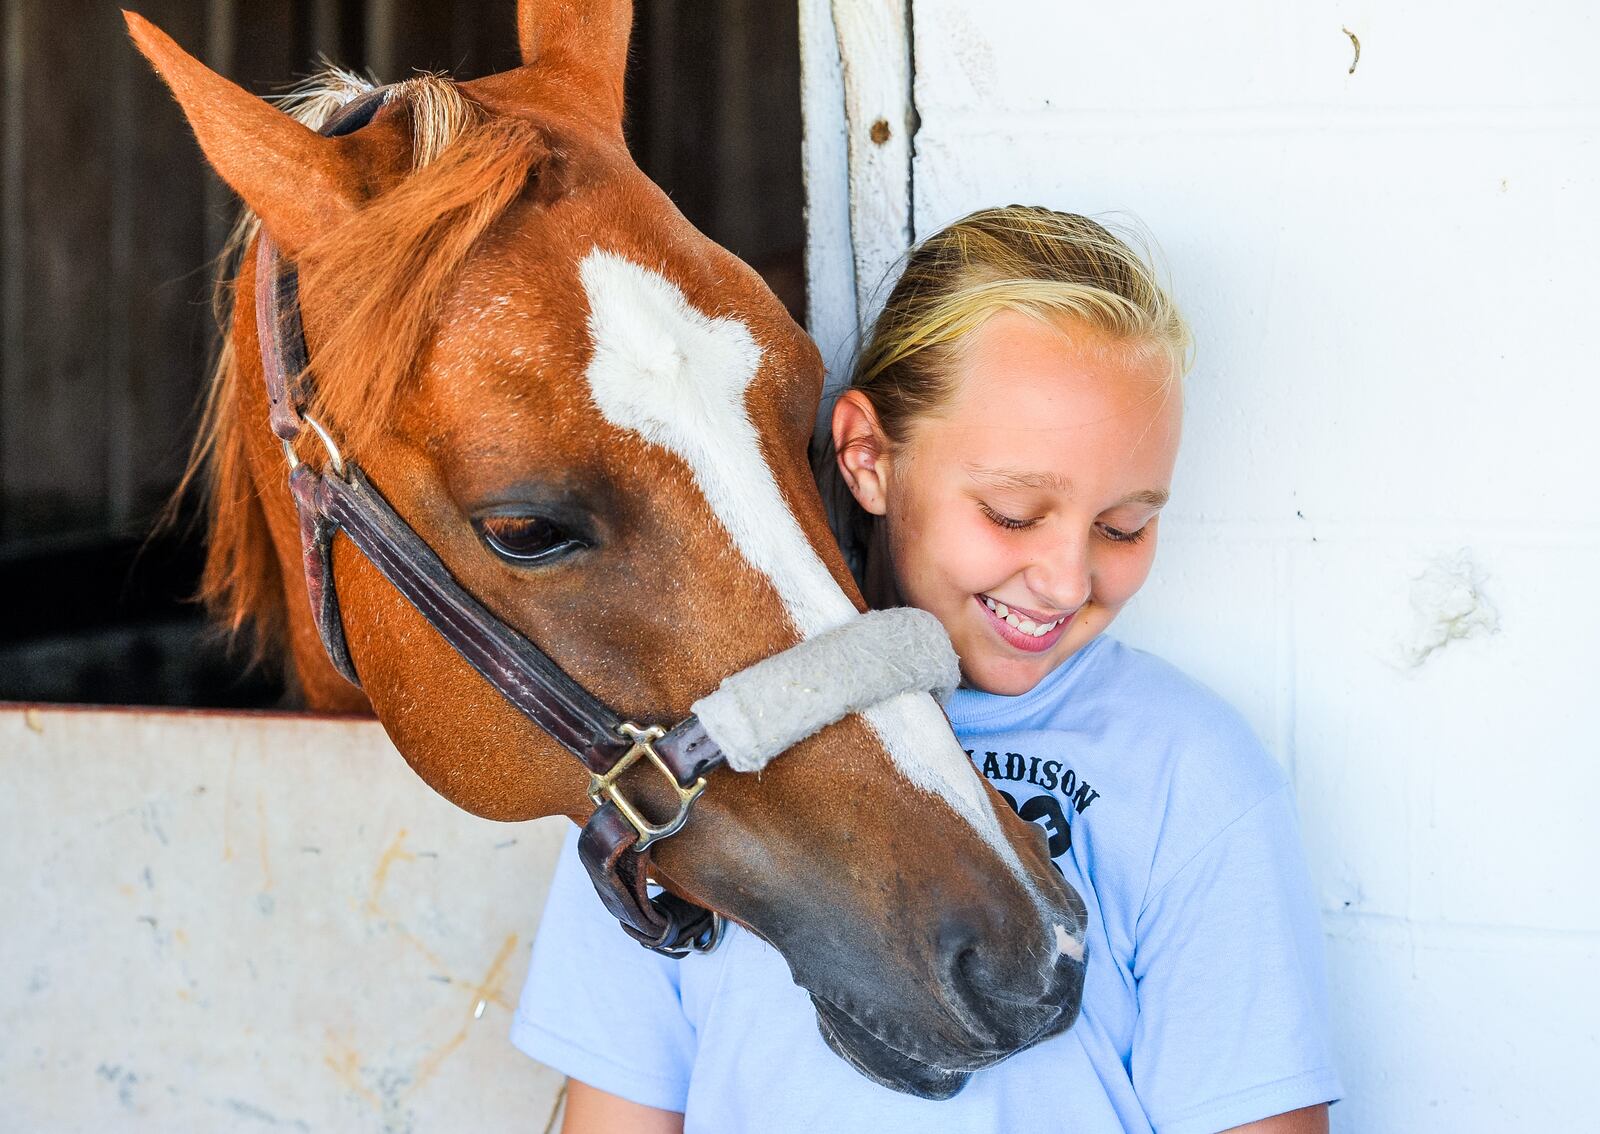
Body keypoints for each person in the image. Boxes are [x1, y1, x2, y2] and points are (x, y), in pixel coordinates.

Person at [510, 206, 1343, 1133]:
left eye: (1125, 526)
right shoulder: (678, 754)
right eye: (1015, 513)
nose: (1069, 578)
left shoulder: (1186, 770)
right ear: (867, 456)